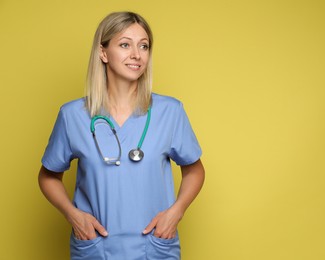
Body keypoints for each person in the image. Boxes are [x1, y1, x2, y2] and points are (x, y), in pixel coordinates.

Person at [38, 11, 205, 260]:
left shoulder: (170, 111)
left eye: (144, 46)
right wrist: (73, 215)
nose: (136, 55)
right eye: (125, 44)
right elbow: (48, 176)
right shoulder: (72, 115)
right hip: (96, 249)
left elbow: (195, 169)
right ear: (103, 53)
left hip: (154, 248)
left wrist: (176, 212)